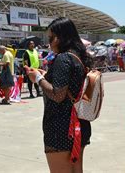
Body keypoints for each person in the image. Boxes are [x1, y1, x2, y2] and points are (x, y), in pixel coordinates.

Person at [27, 17, 92, 172]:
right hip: (79, 124)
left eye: (51, 38)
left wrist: (38, 78)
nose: (50, 43)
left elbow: (58, 94)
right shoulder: (78, 57)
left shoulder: (63, 58)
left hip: (61, 128)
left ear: (61, 37)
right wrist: (47, 76)